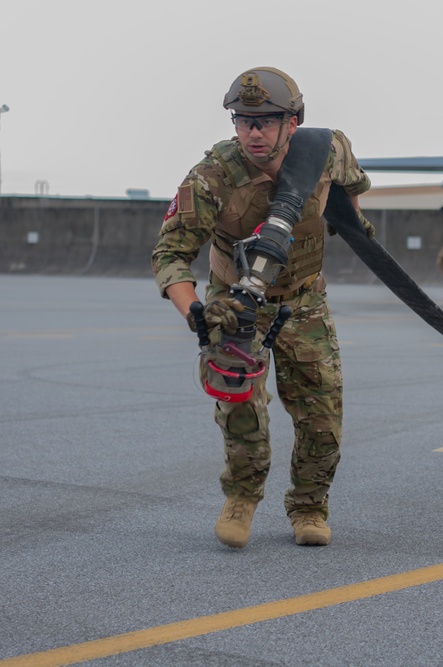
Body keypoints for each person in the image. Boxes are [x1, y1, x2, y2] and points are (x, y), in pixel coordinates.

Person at [151, 67, 372, 548]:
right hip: (235, 303)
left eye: (266, 120)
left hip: (304, 301)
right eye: (243, 120)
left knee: (321, 413)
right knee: (240, 411)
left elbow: (350, 192)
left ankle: (310, 506)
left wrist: (354, 226)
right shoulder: (213, 176)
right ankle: (242, 498)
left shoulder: (328, 150)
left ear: (293, 121)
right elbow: (169, 255)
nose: (253, 131)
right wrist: (196, 314)